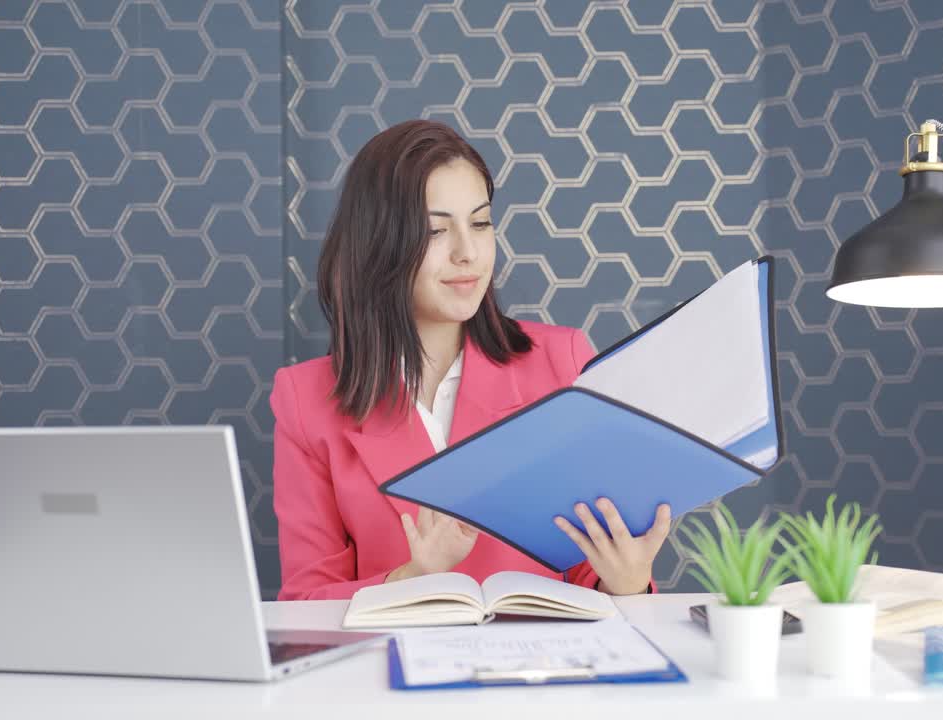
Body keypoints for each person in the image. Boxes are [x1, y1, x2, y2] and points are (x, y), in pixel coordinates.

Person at [271, 119, 672, 601]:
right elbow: (306, 601)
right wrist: (412, 578)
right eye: (436, 230)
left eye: (480, 223)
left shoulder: (562, 362)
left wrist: (627, 579)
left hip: (545, 666)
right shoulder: (305, 400)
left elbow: (595, 574)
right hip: (387, 668)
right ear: (377, 245)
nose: (468, 252)